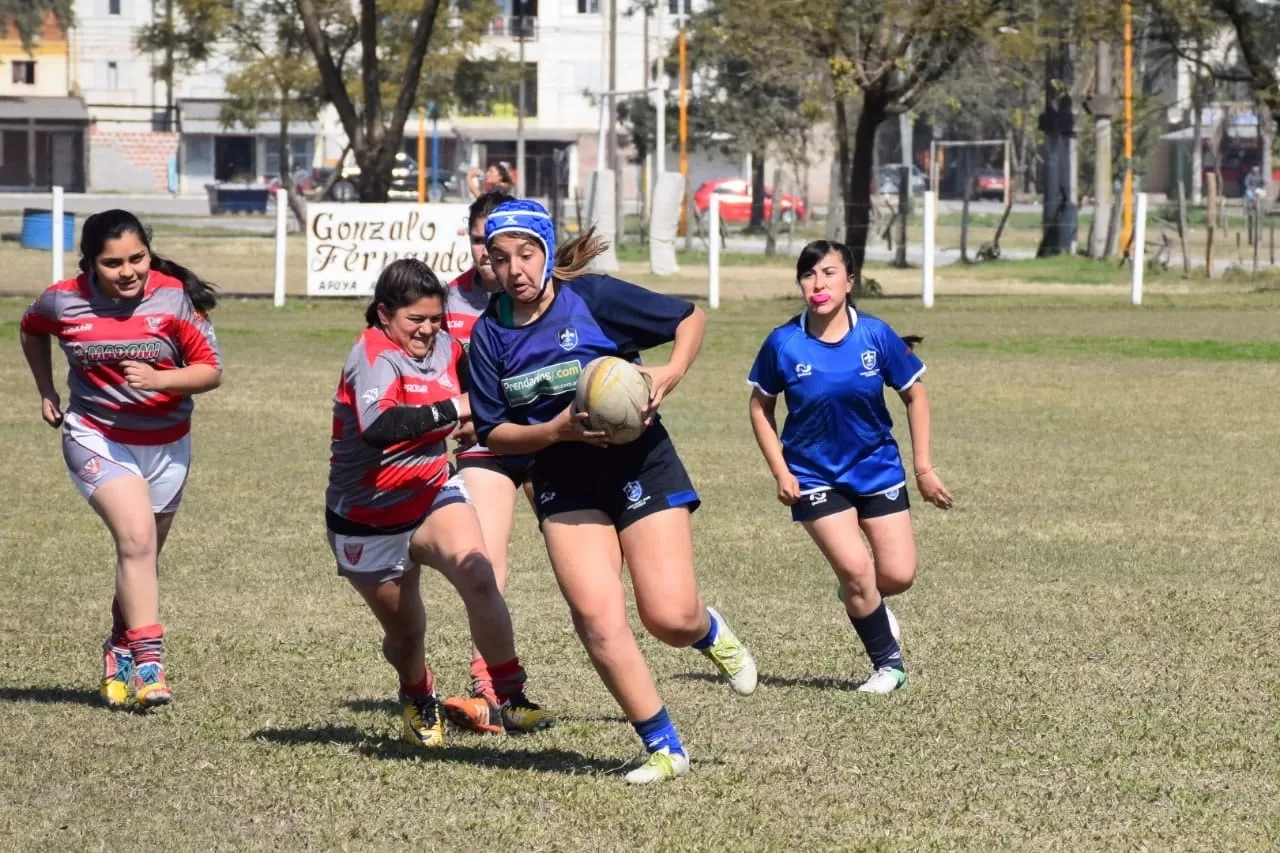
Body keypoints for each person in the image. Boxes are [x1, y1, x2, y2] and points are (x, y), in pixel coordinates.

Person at [467, 199, 758, 785]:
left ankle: (705, 630)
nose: (515, 269)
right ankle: (664, 747)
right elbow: (492, 431)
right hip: (560, 478)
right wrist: (556, 431)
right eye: (500, 258)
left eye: (526, 254)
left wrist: (670, 372)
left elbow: (690, 318)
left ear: (547, 251)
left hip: (639, 462)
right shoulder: (489, 334)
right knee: (596, 619)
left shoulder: (592, 298)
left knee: (668, 617)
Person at [325, 258, 554, 748]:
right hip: (368, 516)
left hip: (432, 493)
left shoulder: (449, 347)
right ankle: (417, 693)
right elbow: (379, 426)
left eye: (435, 319)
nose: (428, 330)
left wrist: (486, 418)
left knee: (479, 576)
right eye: (416, 320)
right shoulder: (372, 355)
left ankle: (510, 697)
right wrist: (456, 410)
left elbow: (484, 395)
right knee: (406, 635)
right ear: (384, 314)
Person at [19, 209, 223, 710]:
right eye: (113, 263)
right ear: (90, 262)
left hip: (168, 443)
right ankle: (150, 665)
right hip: (96, 437)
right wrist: (46, 389)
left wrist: (161, 380)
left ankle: (119, 642)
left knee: (144, 555)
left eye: (137, 258)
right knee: (135, 539)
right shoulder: (62, 300)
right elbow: (31, 328)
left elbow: (210, 371)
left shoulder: (174, 297)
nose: (128, 271)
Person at [747, 240, 953, 695]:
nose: (817, 284)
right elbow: (760, 407)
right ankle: (888, 666)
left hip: (877, 468)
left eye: (828, 273)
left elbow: (915, 395)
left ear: (849, 281)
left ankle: (860, 596)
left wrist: (923, 468)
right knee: (858, 570)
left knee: (898, 575)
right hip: (813, 475)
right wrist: (781, 471)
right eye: (808, 275)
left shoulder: (875, 335)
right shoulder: (783, 342)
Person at [435, 189, 539, 735]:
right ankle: (490, 687)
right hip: (483, 446)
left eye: (495, 242)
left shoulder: (549, 297)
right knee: (485, 562)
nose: (485, 252)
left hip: (549, 441)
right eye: (479, 240)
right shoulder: (446, 302)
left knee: (592, 566)